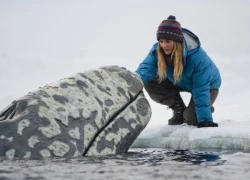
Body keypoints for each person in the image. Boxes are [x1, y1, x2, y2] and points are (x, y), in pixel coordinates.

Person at [136, 15, 221, 128]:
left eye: (168, 41)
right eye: (161, 41)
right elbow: (146, 69)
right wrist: (133, 82)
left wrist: (205, 119)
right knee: (150, 80)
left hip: (207, 87)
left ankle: (204, 109)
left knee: (190, 119)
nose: (164, 45)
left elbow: (201, 89)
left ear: (177, 42)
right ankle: (179, 108)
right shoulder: (157, 50)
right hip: (180, 80)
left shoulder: (198, 58)